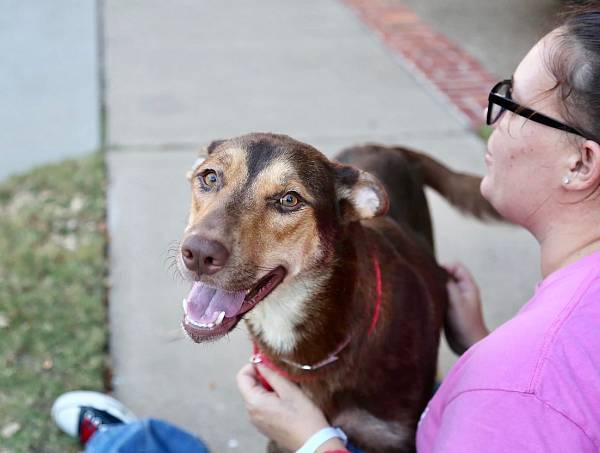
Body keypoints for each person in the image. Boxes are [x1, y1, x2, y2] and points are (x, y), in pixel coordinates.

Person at [52, 5, 600, 452]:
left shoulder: (521, 389)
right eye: (211, 179)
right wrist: (480, 350)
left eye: (512, 104)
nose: (493, 118)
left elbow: (526, 401)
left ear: (580, 163)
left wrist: (314, 443)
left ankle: (127, 441)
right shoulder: (551, 338)